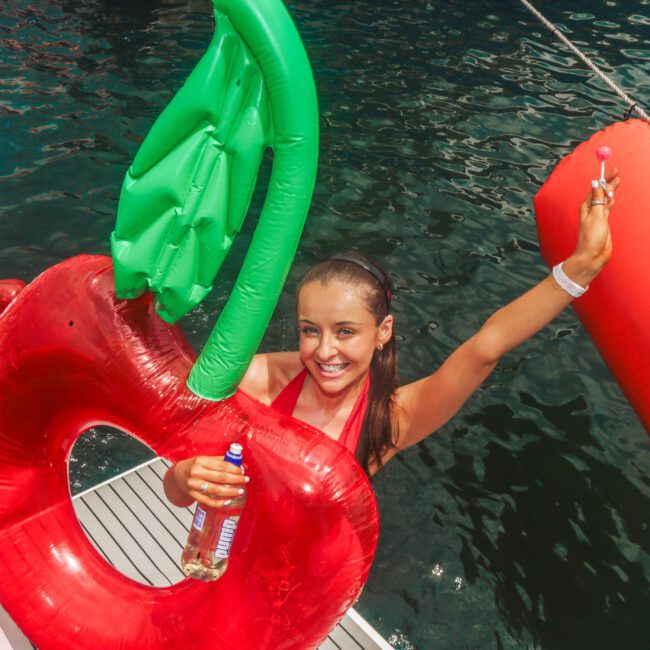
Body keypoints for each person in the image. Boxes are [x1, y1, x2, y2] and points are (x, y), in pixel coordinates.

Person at [163, 170, 620, 509]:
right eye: (310, 330)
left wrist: (580, 268)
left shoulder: (389, 421)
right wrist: (184, 477)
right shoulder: (257, 379)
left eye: (346, 332)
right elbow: (175, 488)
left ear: (383, 332)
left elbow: (486, 348)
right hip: (222, 557)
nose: (324, 351)